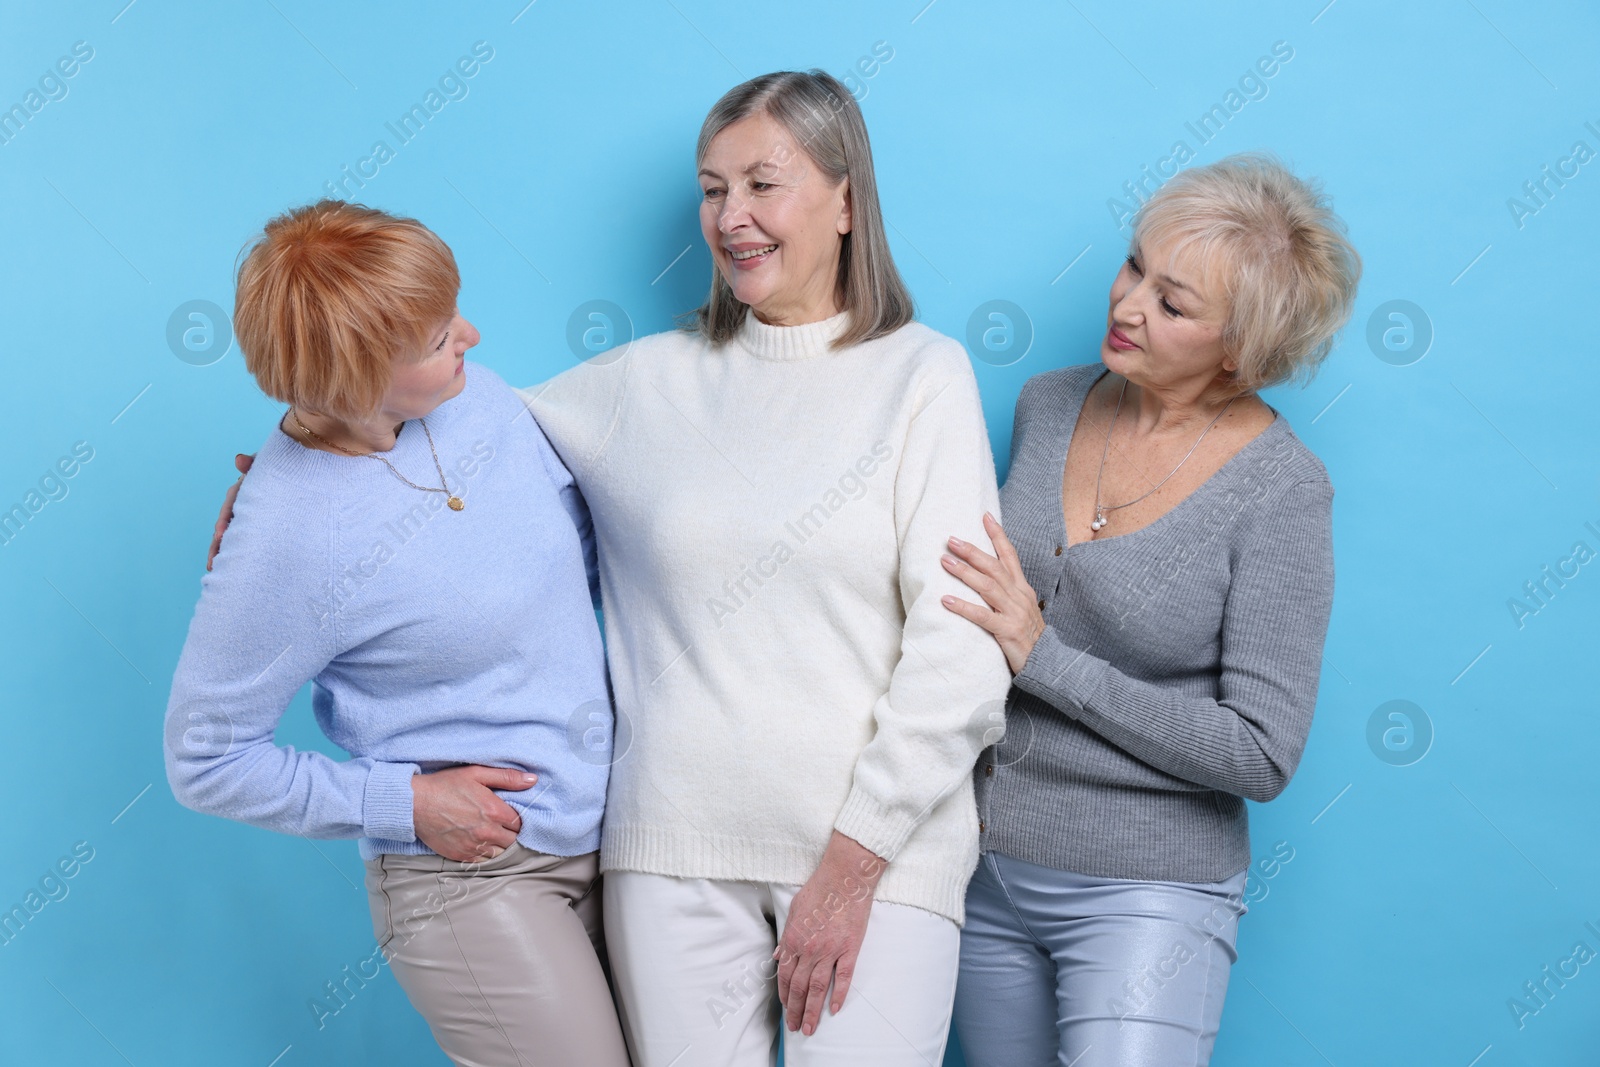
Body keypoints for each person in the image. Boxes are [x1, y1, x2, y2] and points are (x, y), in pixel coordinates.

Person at [521, 70, 1013, 1065]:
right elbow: (448, 443)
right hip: (672, 850)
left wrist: (851, 862)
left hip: (877, 858)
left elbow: (962, 642)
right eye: (712, 189)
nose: (731, 217)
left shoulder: (922, 375)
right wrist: (297, 463)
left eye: (761, 184)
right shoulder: (642, 384)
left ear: (844, 199)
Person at [167, 200, 629, 1067]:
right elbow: (205, 757)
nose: (472, 335)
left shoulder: (480, 403)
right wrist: (406, 803)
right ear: (356, 376)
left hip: (618, 829)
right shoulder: (285, 534)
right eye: (435, 336)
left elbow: (599, 560)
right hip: (469, 877)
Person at [939, 153, 1360, 1067]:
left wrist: (1042, 656)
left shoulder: (1282, 491)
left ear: (1239, 351)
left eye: (1173, 305)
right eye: (1135, 267)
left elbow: (1259, 751)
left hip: (1147, 892)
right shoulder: (1048, 402)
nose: (1127, 306)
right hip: (980, 867)